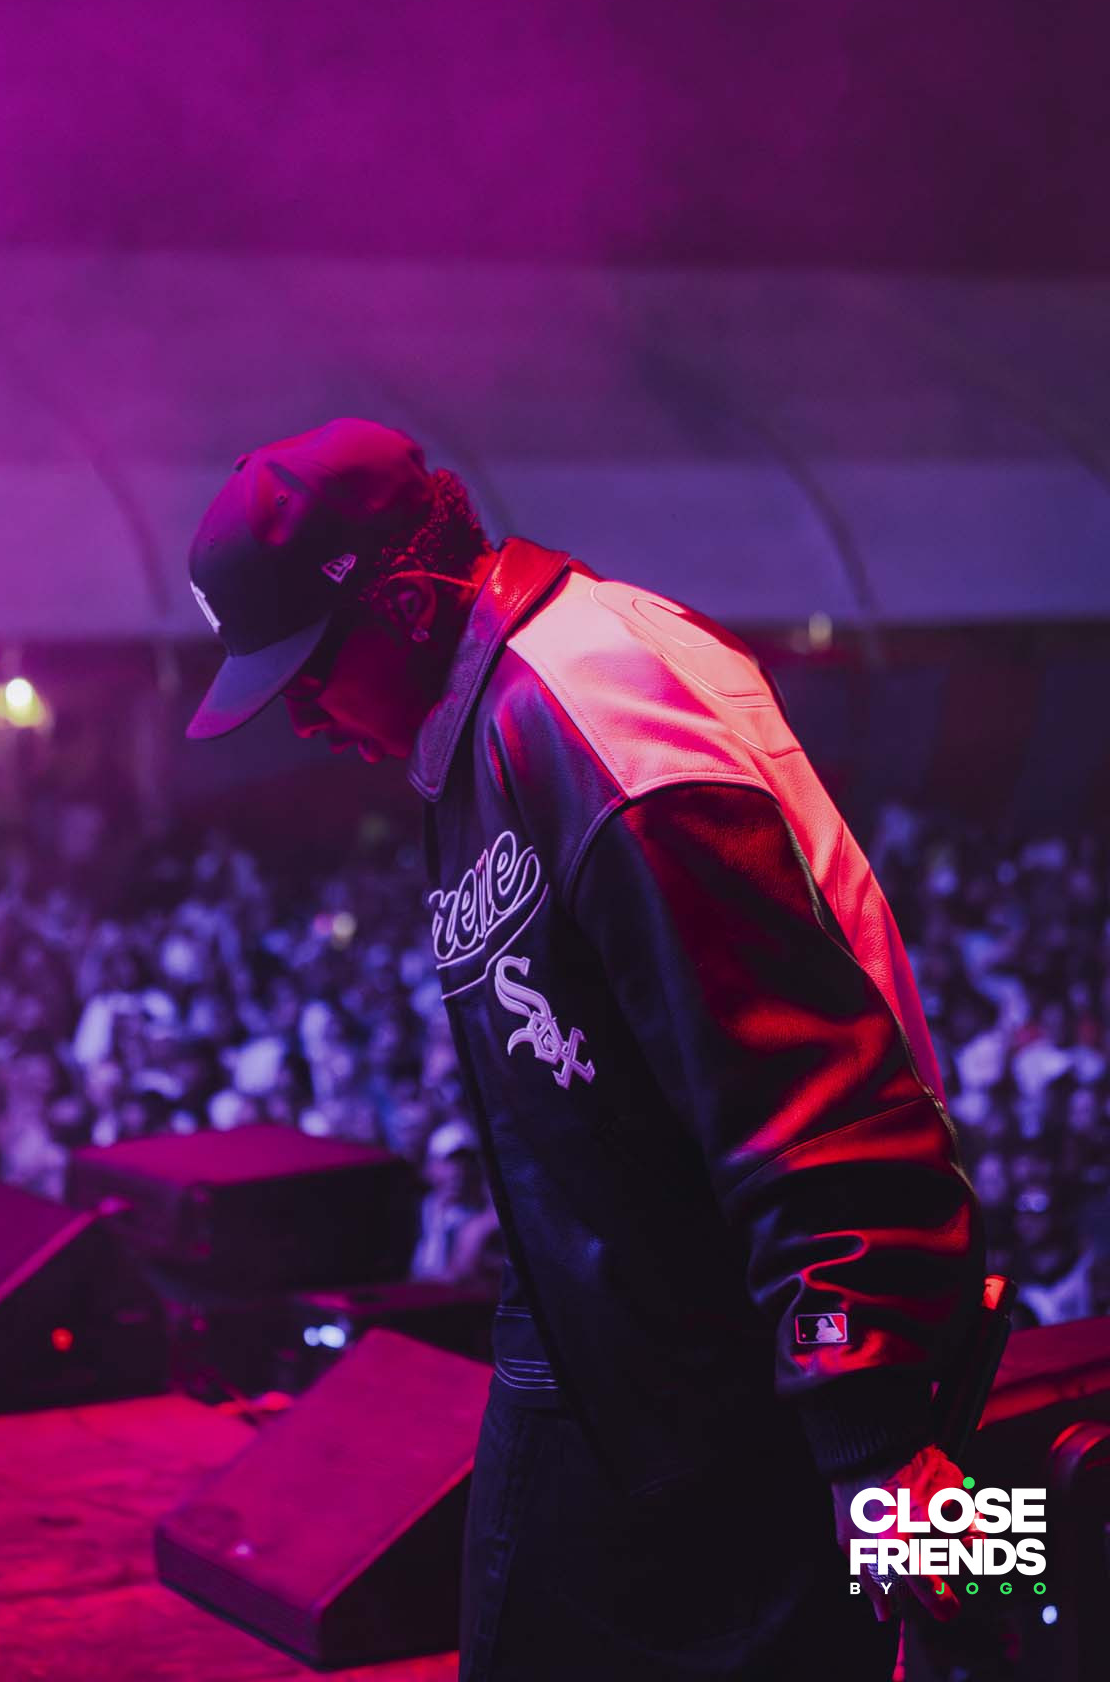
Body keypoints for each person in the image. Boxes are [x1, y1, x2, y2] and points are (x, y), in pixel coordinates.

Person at [185, 418, 986, 1681]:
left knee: (974, 1609)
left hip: (767, 1381)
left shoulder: (595, 704)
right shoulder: (478, 714)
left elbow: (809, 1083)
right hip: (607, 1355)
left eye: (305, 673)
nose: (298, 717)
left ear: (403, 603)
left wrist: (870, 1435)